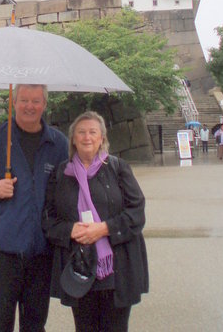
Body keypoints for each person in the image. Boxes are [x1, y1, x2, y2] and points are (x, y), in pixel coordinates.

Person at [0, 84, 68, 332]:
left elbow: (69, 187)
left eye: (36, 101)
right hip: (2, 249)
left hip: (41, 249)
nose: (30, 106)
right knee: (0, 322)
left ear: (45, 104)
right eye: (24, 100)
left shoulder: (58, 144)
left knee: (35, 323)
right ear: (14, 102)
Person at [42, 111, 148, 332]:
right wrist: (69, 230)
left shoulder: (117, 168)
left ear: (102, 138)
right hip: (79, 266)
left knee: (115, 327)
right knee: (84, 327)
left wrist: (104, 228)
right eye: (81, 132)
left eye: (92, 132)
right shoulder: (62, 173)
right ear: (73, 138)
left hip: (116, 267)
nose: (86, 137)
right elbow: (48, 218)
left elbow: (136, 211)